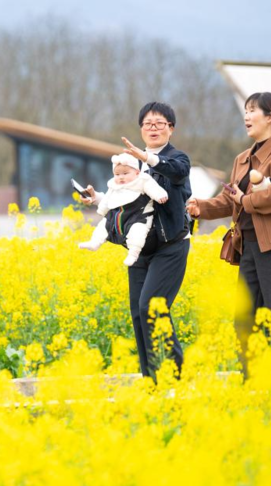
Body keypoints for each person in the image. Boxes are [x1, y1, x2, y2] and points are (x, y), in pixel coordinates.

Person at [186, 91, 271, 356]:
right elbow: (230, 200)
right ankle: (254, 377)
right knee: (245, 321)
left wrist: (244, 200)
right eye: (245, 111)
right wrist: (201, 207)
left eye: (252, 111)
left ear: (270, 117)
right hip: (249, 245)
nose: (246, 116)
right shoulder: (242, 159)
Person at [81, 102, 192, 381]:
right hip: (141, 247)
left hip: (170, 245)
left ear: (171, 129)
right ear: (141, 129)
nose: (153, 128)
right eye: (147, 124)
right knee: (138, 314)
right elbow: (127, 198)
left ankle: (174, 375)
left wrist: (148, 158)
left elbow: (177, 174)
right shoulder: (131, 163)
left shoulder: (176, 159)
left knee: (151, 307)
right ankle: (151, 381)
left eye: (160, 123)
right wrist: (97, 198)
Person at [78, 153, 169, 266]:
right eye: (117, 174)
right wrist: (102, 210)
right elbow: (107, 199)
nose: (121, 177)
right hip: (118, 215)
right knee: (103, 225)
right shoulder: (114, 185)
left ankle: (133, 254)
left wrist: (160, 196)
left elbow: (153, 188)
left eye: (125, 173)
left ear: (137, 172)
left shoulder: (142, 180)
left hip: (139, 216)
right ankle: (94, 242)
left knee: (137, 232)